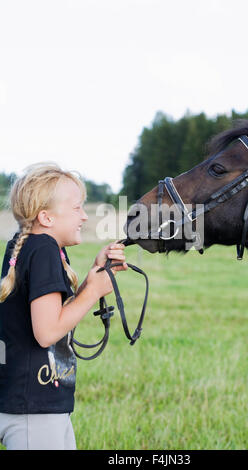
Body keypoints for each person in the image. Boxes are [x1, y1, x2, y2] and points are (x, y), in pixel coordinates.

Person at [0, 162, 127, 450]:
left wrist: (89, 281)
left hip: (28, 401)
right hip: (33, 408)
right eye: (76, 208)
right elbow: (46, 332)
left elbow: (53, 315)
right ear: (46, 217)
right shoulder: (44, 248)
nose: (84, 216)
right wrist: (93, 292)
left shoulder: (29, 245)